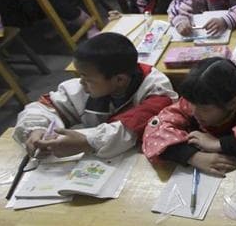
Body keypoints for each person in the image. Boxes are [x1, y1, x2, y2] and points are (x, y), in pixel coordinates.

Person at [12, 33, 178, 158]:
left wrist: (86, 142)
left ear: (119, 79)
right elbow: (44, 106)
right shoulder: (92, 85)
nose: (81, 83)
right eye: (80, 76)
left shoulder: (156, 91)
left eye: (87, 78)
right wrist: (37, 130)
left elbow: (127, 131)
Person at [142, 57, 236, 175]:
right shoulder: (194, 100)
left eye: (204, 109)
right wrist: (193, 157)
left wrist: (219, 144)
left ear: (232, 103)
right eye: (192, 104)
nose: (194, 112)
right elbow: (155, 129)